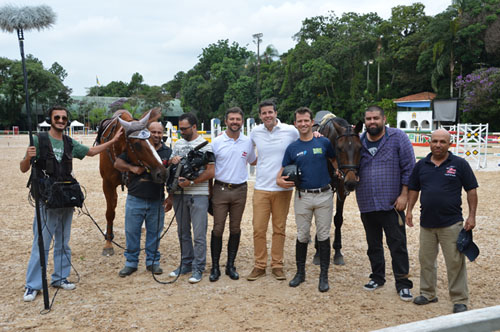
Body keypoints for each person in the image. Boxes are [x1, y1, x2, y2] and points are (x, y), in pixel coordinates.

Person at [21, 105, 122, 302]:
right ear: (50, 119)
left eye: (63, 118)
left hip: (65, 196)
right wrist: (28, 157)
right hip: (46, 198)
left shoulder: (69, 142)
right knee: (41, 242)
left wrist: (113, 141)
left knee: (63, 241)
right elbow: (23, 168)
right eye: (57, 117)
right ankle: (32, 285)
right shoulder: (38, 140)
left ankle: (60, 277)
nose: (60, 120)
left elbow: (92, 152)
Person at [406, 129, 478, 313]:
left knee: (455, 262)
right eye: (435, 141)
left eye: (442, 142)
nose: (438, 145)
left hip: (451, 223)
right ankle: (428, 293)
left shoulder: (460, 164)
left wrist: (471, 216)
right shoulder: (421, 165)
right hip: (427, 223)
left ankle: (460, 299)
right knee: (426, 261)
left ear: (450, 144)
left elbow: (471, 191)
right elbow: (413, 189)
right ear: (429, 143)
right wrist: (409, 211)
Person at [355, 105, 414, 302]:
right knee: (373, 245)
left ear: (384, 119)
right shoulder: (359, 141)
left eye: (375, 118)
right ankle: (377, 277)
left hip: (392, 203)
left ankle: (403, 283)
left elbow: (409, 168)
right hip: (367, 202)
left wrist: (404, 195)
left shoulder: (397, 137)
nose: (372, 122)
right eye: (368, 119)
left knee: (397, 244)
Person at [277, 107, 336, 292]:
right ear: (295, 124)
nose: (303, 124)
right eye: (299, 121)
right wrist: (279, 180)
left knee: (324, 235)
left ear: (312, 123)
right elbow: (282, 170)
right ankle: (300, 273)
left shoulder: (324, 142)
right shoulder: (292, 148)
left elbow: (334, 160)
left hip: (324, 195)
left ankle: (323, 276)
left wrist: (339, 173)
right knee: (302, 235)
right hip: (303, 196)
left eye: (306, 121)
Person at [247, 100, 299, 281]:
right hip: (261, 187)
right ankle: (259, 265)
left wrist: (315, 133)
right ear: (260, 116)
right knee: (258, 228)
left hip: (282, 188)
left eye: (270, 112)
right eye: (264, 113)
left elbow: (304, 140)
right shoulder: (255, 132)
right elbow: (251, 156)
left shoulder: (290, 131)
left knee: (280, 228)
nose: (267, 116)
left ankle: (277, 264)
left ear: (276, 113)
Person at [115, 122, 172, 278]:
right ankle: (131, 263)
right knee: (132, 232)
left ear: (163, 134)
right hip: (136, 197)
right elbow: (118, 162)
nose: (156, 135)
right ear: (148, 132)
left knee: (154, 232)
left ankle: (152, 262)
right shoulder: (136, 146)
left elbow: (172, 176)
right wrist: (132, 168)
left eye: (159, 132)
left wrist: (171, 196)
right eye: (153, 131)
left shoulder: (167, 152)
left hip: (156, 198)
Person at [209, 107, 256, 282]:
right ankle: (215, 266)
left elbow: (253, 160)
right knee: (218, 228)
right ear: (226, 121)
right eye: (231, 119)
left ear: (242, 122)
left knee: (235, 228)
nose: (235, 122)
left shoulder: (247, 142)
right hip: (221, 189)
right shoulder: (217, 142)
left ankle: (230, 265)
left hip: (240, 190)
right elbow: (208, 167)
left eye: (238, 119)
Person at [168, 113, 214, 283]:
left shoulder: (206, 146)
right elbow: (173, 170)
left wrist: (192, 181)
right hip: (179, 194)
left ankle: (198, 267)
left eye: (185, 129)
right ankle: (186, 263)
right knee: (182, 231)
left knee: (199, 233)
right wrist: (173, 161)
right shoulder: (178, 144)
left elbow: (211, 171)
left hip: (199, 193)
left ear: (194, 127)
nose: (182, 132)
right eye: (180, 129)